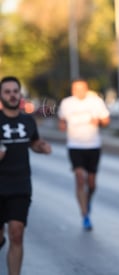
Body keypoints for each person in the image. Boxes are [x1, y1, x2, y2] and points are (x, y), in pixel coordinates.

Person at [0, 76, 52, 275]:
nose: (12, 95)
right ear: (1, 95)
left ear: (19, 94)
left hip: (20, 184)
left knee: (17, 233)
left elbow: (34, 143)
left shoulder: (28, 120)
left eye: (15, 91)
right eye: (7, 92)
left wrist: (42, 147)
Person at [58, 78, 110, 231]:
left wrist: (99, 122)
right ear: (72, 90)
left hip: (93, 146)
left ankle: (87, 201)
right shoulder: (67, 103)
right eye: (75, 89)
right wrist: (63, 125)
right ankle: (85, 215)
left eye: (81, 88)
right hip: (75, 146)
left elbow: (106, 120)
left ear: (86, 89)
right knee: (80, 178)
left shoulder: (95, 102)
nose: (78, 91)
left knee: (92, 184)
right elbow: (61, 122)